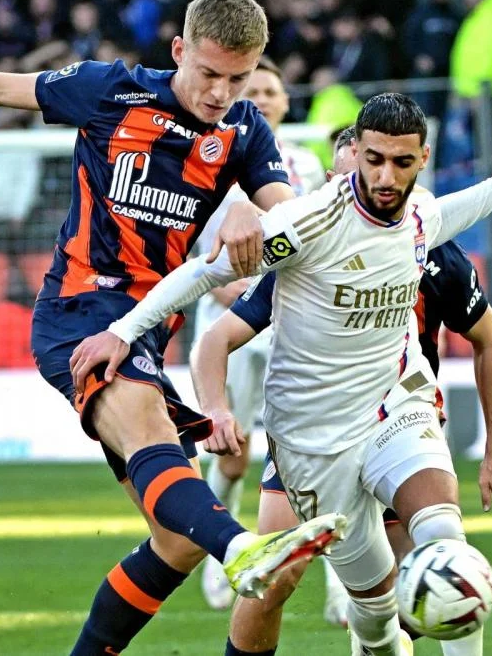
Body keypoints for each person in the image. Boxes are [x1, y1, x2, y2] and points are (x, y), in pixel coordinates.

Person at [0, 0, 346, 655]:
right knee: (162, 448)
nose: (221, 92)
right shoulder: (111, 92)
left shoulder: (246, 132)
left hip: (148, 330)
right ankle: (241, 549)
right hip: (80, 312)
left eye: (238, 79)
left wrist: (257, 211)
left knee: (178, 539)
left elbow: (294, 222)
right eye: (209, 73)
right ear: (179, 50)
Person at [102, 93, 492, 656]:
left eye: (402, 163)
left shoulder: (421, 214)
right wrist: (125, 330)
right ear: (354, 152)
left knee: (443, 539)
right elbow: (201, 276)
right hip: (314, 444)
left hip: (395, 407)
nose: (386, 176)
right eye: (374, 159)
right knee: (377, 616)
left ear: (422, 158)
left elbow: (469, 205)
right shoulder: (307, 224)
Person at [196, 126, 492, 655]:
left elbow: (491, 340)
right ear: (330, 183)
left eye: (390, 173)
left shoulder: (431, 250)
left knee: (438, 555)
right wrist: (215, 405)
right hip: (315, 436)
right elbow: (219, 331)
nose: (374, 188)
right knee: (279, 578)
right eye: (355, 176)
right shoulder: (303, 253)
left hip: (397, 420)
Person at [190, 55, 329, 612]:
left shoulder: (308, 166)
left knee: (311, 446)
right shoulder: (208, 157)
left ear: (285, 103)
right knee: (230, 452)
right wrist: (233, 292)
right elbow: (200, 246)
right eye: (257, 91)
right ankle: (217, 555)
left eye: (271, 91)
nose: (265, 99)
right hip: (228, 319)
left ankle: (344, 586)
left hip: (286, 321)